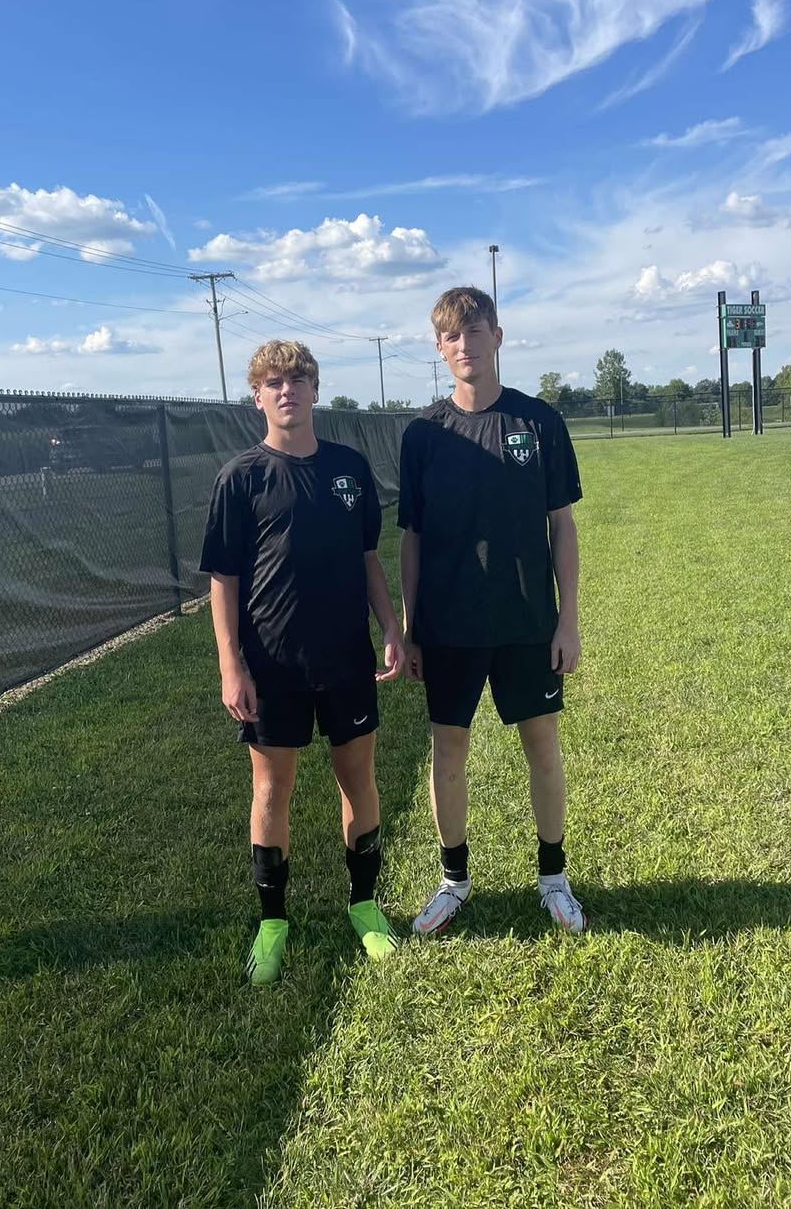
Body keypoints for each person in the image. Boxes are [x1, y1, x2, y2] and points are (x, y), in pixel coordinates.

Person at [200, 340, 405, 985]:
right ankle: (273, 922)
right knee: (271, 789)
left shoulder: (349, 467)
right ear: (257, 397)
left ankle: (364, 905)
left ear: (316, 389)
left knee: (358, 779)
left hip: (346, 658)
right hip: (273, 665)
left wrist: (391, 626)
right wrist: (231, 664)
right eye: (274, 382)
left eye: (298, 379)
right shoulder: (241, 477)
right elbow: (223, 578)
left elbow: (368, 559)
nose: (287, 390)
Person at [398, 287, 585, 935]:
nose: (465, 344)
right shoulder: (424, 434)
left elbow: (562, 526)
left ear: (497, 337)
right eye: (452, 335)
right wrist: (410, 628)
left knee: (543, 747)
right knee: (447, 749)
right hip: (448, 626)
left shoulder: (539, 422)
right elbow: (412, 537)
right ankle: (454, 881)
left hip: (527, 620)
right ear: (439, 348)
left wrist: (568, 620)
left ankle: (553, 878)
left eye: (475, 331)